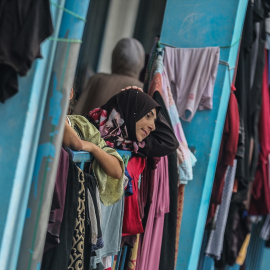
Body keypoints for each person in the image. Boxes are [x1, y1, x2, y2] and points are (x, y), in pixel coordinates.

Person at [74, 38, 145, 115]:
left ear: (114, 58)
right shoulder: (142, 90)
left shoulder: (97, 79)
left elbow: (77, 114)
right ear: (141, 63)